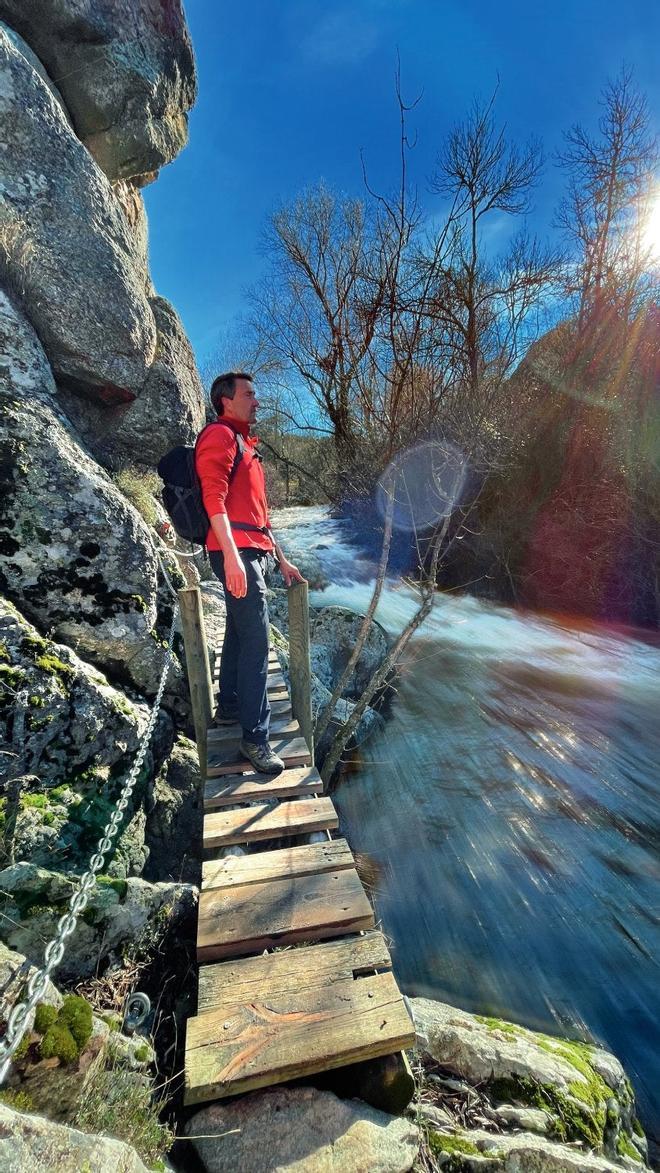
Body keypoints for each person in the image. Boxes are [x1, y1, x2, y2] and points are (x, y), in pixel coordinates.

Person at [195, 371, 304, 774]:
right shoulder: (219, 437)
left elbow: (260, 517)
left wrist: (282, 558)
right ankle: (255, 740)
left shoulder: (246, 445)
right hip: (235, 552)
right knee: (258, 643)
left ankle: (230, 706)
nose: (257, 401)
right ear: (227, 400)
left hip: (251, 550)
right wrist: (231, 556)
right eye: (250, 394)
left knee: (240, 633)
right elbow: (213, 498)